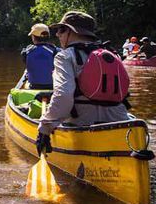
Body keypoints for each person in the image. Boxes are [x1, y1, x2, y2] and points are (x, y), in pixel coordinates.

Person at [36, 11, 129, 155]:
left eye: (61, 29)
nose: (57, 34)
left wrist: (45, 129)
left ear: (70, 31)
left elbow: (64, 96)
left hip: (82, 123)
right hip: (120, 122)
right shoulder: (112, 54)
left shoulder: (65, 56)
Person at [20, 23, 60, 88]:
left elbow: (27, 63)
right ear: (48, 37)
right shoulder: (56, 51)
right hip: (52, 86)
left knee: (27, 83)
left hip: (33, 86)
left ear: (33, 37)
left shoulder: (26, 51)